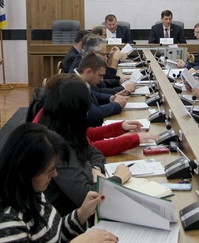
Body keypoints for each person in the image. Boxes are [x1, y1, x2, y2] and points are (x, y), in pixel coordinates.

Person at [0, 123, 118, 243]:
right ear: (25, 173)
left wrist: (81, 215)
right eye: (49, 171)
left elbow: (49, 236)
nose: (55, 174)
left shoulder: (28, 192)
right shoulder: (4, 221)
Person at [36, 75, 132, 215]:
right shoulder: (54, 148)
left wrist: (95, 169)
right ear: (74, 112)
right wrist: (118, 178)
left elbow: (95, 153)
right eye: (85, 110)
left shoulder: (67, 130)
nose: (87, 114)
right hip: (71, 218)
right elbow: (86, 198)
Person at [33, 74, 158, 156]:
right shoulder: (53, 130)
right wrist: (134, 139)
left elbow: (86, 134)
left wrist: (121, 127)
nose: (87, 112)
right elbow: (89, 148)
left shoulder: (54, 113)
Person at [76, 53, 127, 127]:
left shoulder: (81, 81)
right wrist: (116, 104)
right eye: (100, 75)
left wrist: (112, 98)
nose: (102, 79)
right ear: (88, 72)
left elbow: (96, 95)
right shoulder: (75, 86)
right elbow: (94, 113)